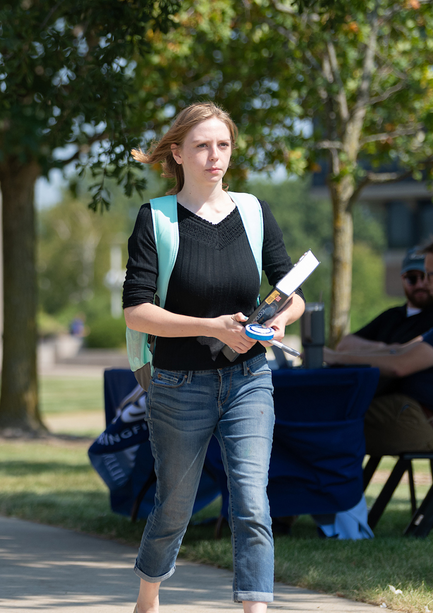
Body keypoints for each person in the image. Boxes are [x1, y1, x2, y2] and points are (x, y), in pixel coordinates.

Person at [123, 102, 304, 613]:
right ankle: (148, 597)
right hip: (180, 384)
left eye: (222, 145)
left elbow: (291, 291)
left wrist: (277, 320)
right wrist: (211, 327)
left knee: (251, 501)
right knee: (175, 507)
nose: (214, 156)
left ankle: (254, 608)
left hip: (249, 379)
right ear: (177, 153)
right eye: (202, 146)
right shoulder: (155, 219)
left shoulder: (253, 211)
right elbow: (137, 312)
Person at [324, 234, 433, 455]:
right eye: (415, 276)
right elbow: (403, 350)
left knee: (328, 423)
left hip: (430, 420)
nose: (426, 283)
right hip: (422, 413)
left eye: (430, 275)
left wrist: (336, 357)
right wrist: (335, 354)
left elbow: (401, 365)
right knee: (332, 416)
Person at [335, 246, 433, 352]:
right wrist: (382, 348)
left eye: (425, 277)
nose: (420, 285)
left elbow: (406, 355)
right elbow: (344, 345)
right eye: (412, 279)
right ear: (403, 278)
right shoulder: (391, 316)